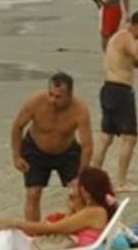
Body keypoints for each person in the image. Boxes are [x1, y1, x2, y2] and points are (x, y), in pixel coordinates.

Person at [8, 73, 93, 222]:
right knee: (33, 193)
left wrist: (82, 174)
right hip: (35, 149)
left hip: (67, 151)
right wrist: (16, 156)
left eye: (58, 97)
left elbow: (87, 145)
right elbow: (17, 126)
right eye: (51, 94)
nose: (53, 100)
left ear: (69, 95)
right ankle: (33, 235)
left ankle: (79, 227)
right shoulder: (35, 102)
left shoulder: (80, 110)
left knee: (79, 191)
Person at [94, 9, 138, 192]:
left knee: (106, 136)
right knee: (129, 137)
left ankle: (95, 175)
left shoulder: (122, 39)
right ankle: (120, 180)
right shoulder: (125, 36)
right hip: (119, 90)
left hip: (110, 89)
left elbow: (137, 63)